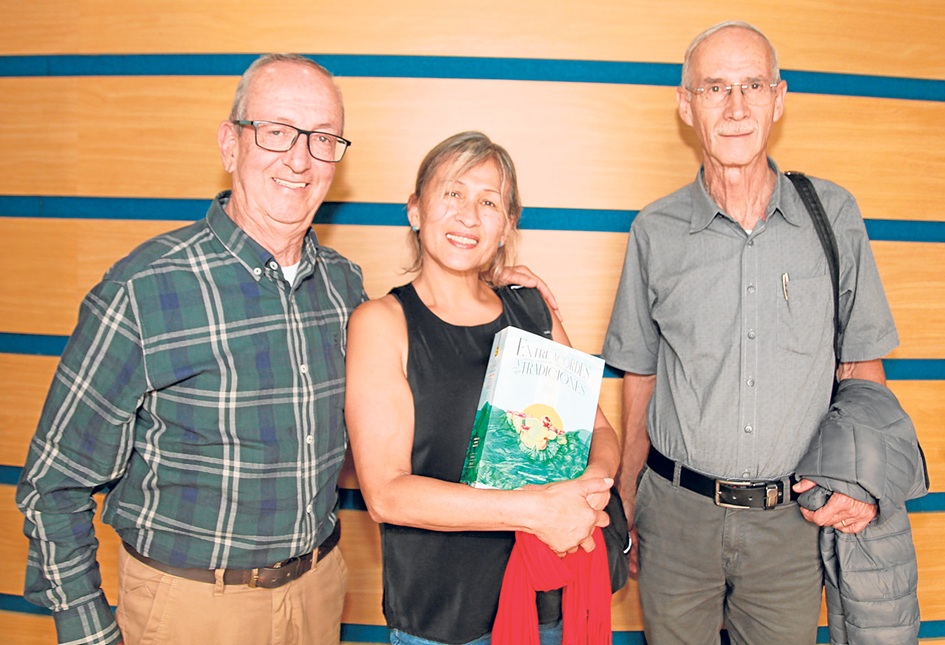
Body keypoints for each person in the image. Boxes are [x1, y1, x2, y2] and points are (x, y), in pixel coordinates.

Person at [602, 21, 899, 645]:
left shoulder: (835, 216)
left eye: (752, 85)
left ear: (778, 98)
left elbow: (862, 369)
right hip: (674, 517)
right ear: (686, 106)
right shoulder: (653, 231)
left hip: (792, 525)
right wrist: (628, 496)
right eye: (714, 88)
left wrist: (863, 483)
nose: (736, 107)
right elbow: (640, 376)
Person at [345, 131, 621, 645]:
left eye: (489, 201)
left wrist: (588, 491)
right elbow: (386, 494)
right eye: (452, 192)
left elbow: (598, 430)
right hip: (444, 616)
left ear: (507, 225)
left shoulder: (531, 312)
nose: (469, 215)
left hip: (551, 600)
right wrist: (538, 510)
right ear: (414, 209)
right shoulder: (382, 323)